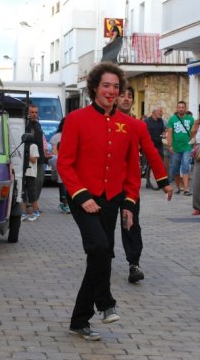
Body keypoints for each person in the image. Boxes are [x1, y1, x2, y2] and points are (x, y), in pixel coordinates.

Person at [57, 62, 140, 341]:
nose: (112, 91)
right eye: (106, 85)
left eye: (116, 87)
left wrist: (128, 204)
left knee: (99, 257)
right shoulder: (76, 119)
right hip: (83, 198)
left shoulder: (128, 124)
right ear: (94, 87)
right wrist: (81, 196)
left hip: (112, 198)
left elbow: (131, 168)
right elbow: (65, 164)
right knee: (101, 247)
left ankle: (79, 320)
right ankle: (105, 302)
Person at [116, 86, 173, 283]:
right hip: (104, 186)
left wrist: (163, 181)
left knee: (129, 224)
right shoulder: (103, 122)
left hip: (128, 188)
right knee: (103, 227)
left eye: (129, 96)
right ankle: (100, 260)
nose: (125, 99)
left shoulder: (138, 126)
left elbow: (152, 153)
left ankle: (134, 264)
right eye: (122, 95)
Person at [166, 101, 194, 195]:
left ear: (185, 109)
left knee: (186, 166)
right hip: (175, 148)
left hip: (187, 147)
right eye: (179, 107)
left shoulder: (190, 119)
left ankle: (186, 189)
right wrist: (170, 145)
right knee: (175, 169)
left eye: (183, 107)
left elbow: (193, 132)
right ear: (177, 108)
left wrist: (193, 142)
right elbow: (169, 133)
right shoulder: (172, 119)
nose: (181, 109)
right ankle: (178, 187)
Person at [25, 104, 45, 218]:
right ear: (28, 113)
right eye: (32, 112)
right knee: (31, 182)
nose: (34, 114)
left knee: (40, 181)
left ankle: (34, 203)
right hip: (31, 158)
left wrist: (45, 152)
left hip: (40, 157)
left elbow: (41, 140)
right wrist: (28, 155)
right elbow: (24, 141)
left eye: (36, 112)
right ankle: (29, 205)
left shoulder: (38, 124)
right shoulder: (26, 125)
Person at [48, 142, 69, 214]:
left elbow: (52, 165)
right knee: (65, 192)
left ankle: (64, 205)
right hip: (65, 179)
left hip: (61, 179)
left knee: (63, 192)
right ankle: (65, 205)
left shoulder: (55, 158)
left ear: (57, 149)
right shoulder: (66, 157)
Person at [23, 142, 40, 221]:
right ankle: (23, 213)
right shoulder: (21, 145)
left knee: (31, 193)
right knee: (22, 193)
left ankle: (36, 212)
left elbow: (34, 160)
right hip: (21, 172)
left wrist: (26, 153)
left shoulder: (33, 146)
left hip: (30, 173)